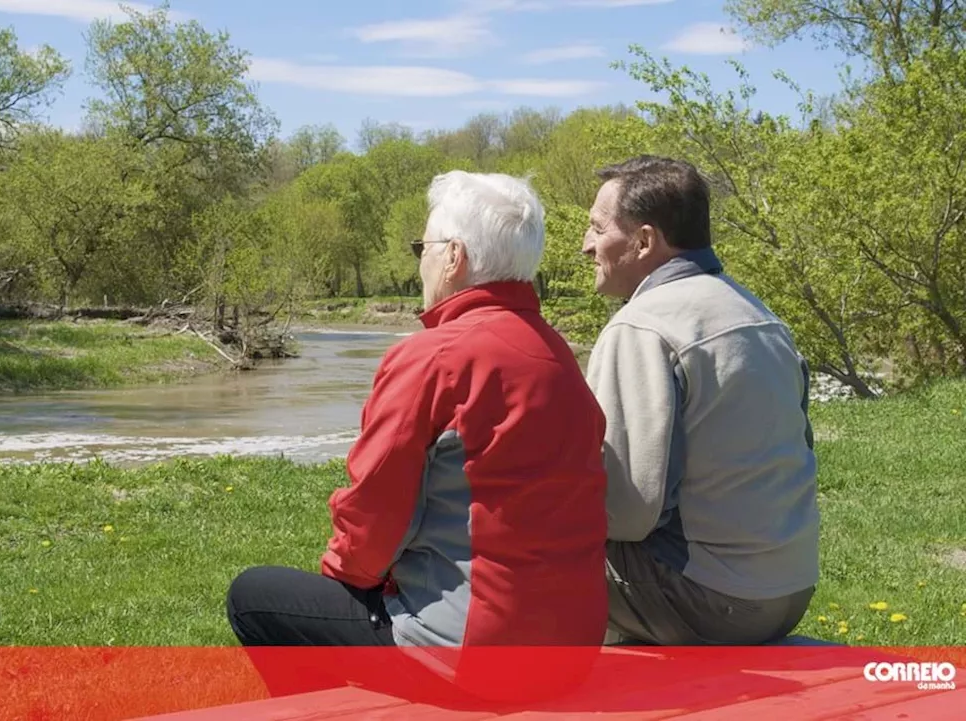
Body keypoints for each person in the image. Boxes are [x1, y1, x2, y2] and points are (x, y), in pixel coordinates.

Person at [225, 170, 610, 704]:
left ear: (454, 257)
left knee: (254, 596)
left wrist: (346, 581)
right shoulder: (558, 356)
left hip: (478, 658)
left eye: (422, 247)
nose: (420, 260)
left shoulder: (433, 357)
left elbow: (372, 518)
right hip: (571, 652)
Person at [580, 155, 820, 646]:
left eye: (598, 229)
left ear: (645, 241)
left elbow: (626, 512)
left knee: (508, 554)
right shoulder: (760, 315)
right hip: (790, 592)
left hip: (709, 601)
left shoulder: (642, 325)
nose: (586, 246)